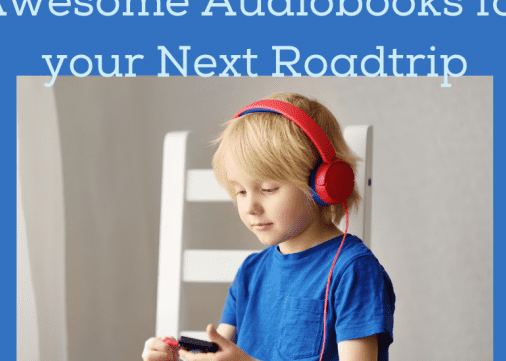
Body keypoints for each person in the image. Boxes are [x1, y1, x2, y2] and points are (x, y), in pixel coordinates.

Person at [142, 93, 395, 361]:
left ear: (322, 184)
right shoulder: (250, 274)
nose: (250, 206)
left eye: (268, 189)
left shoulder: (353, 271)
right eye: (240, 192)